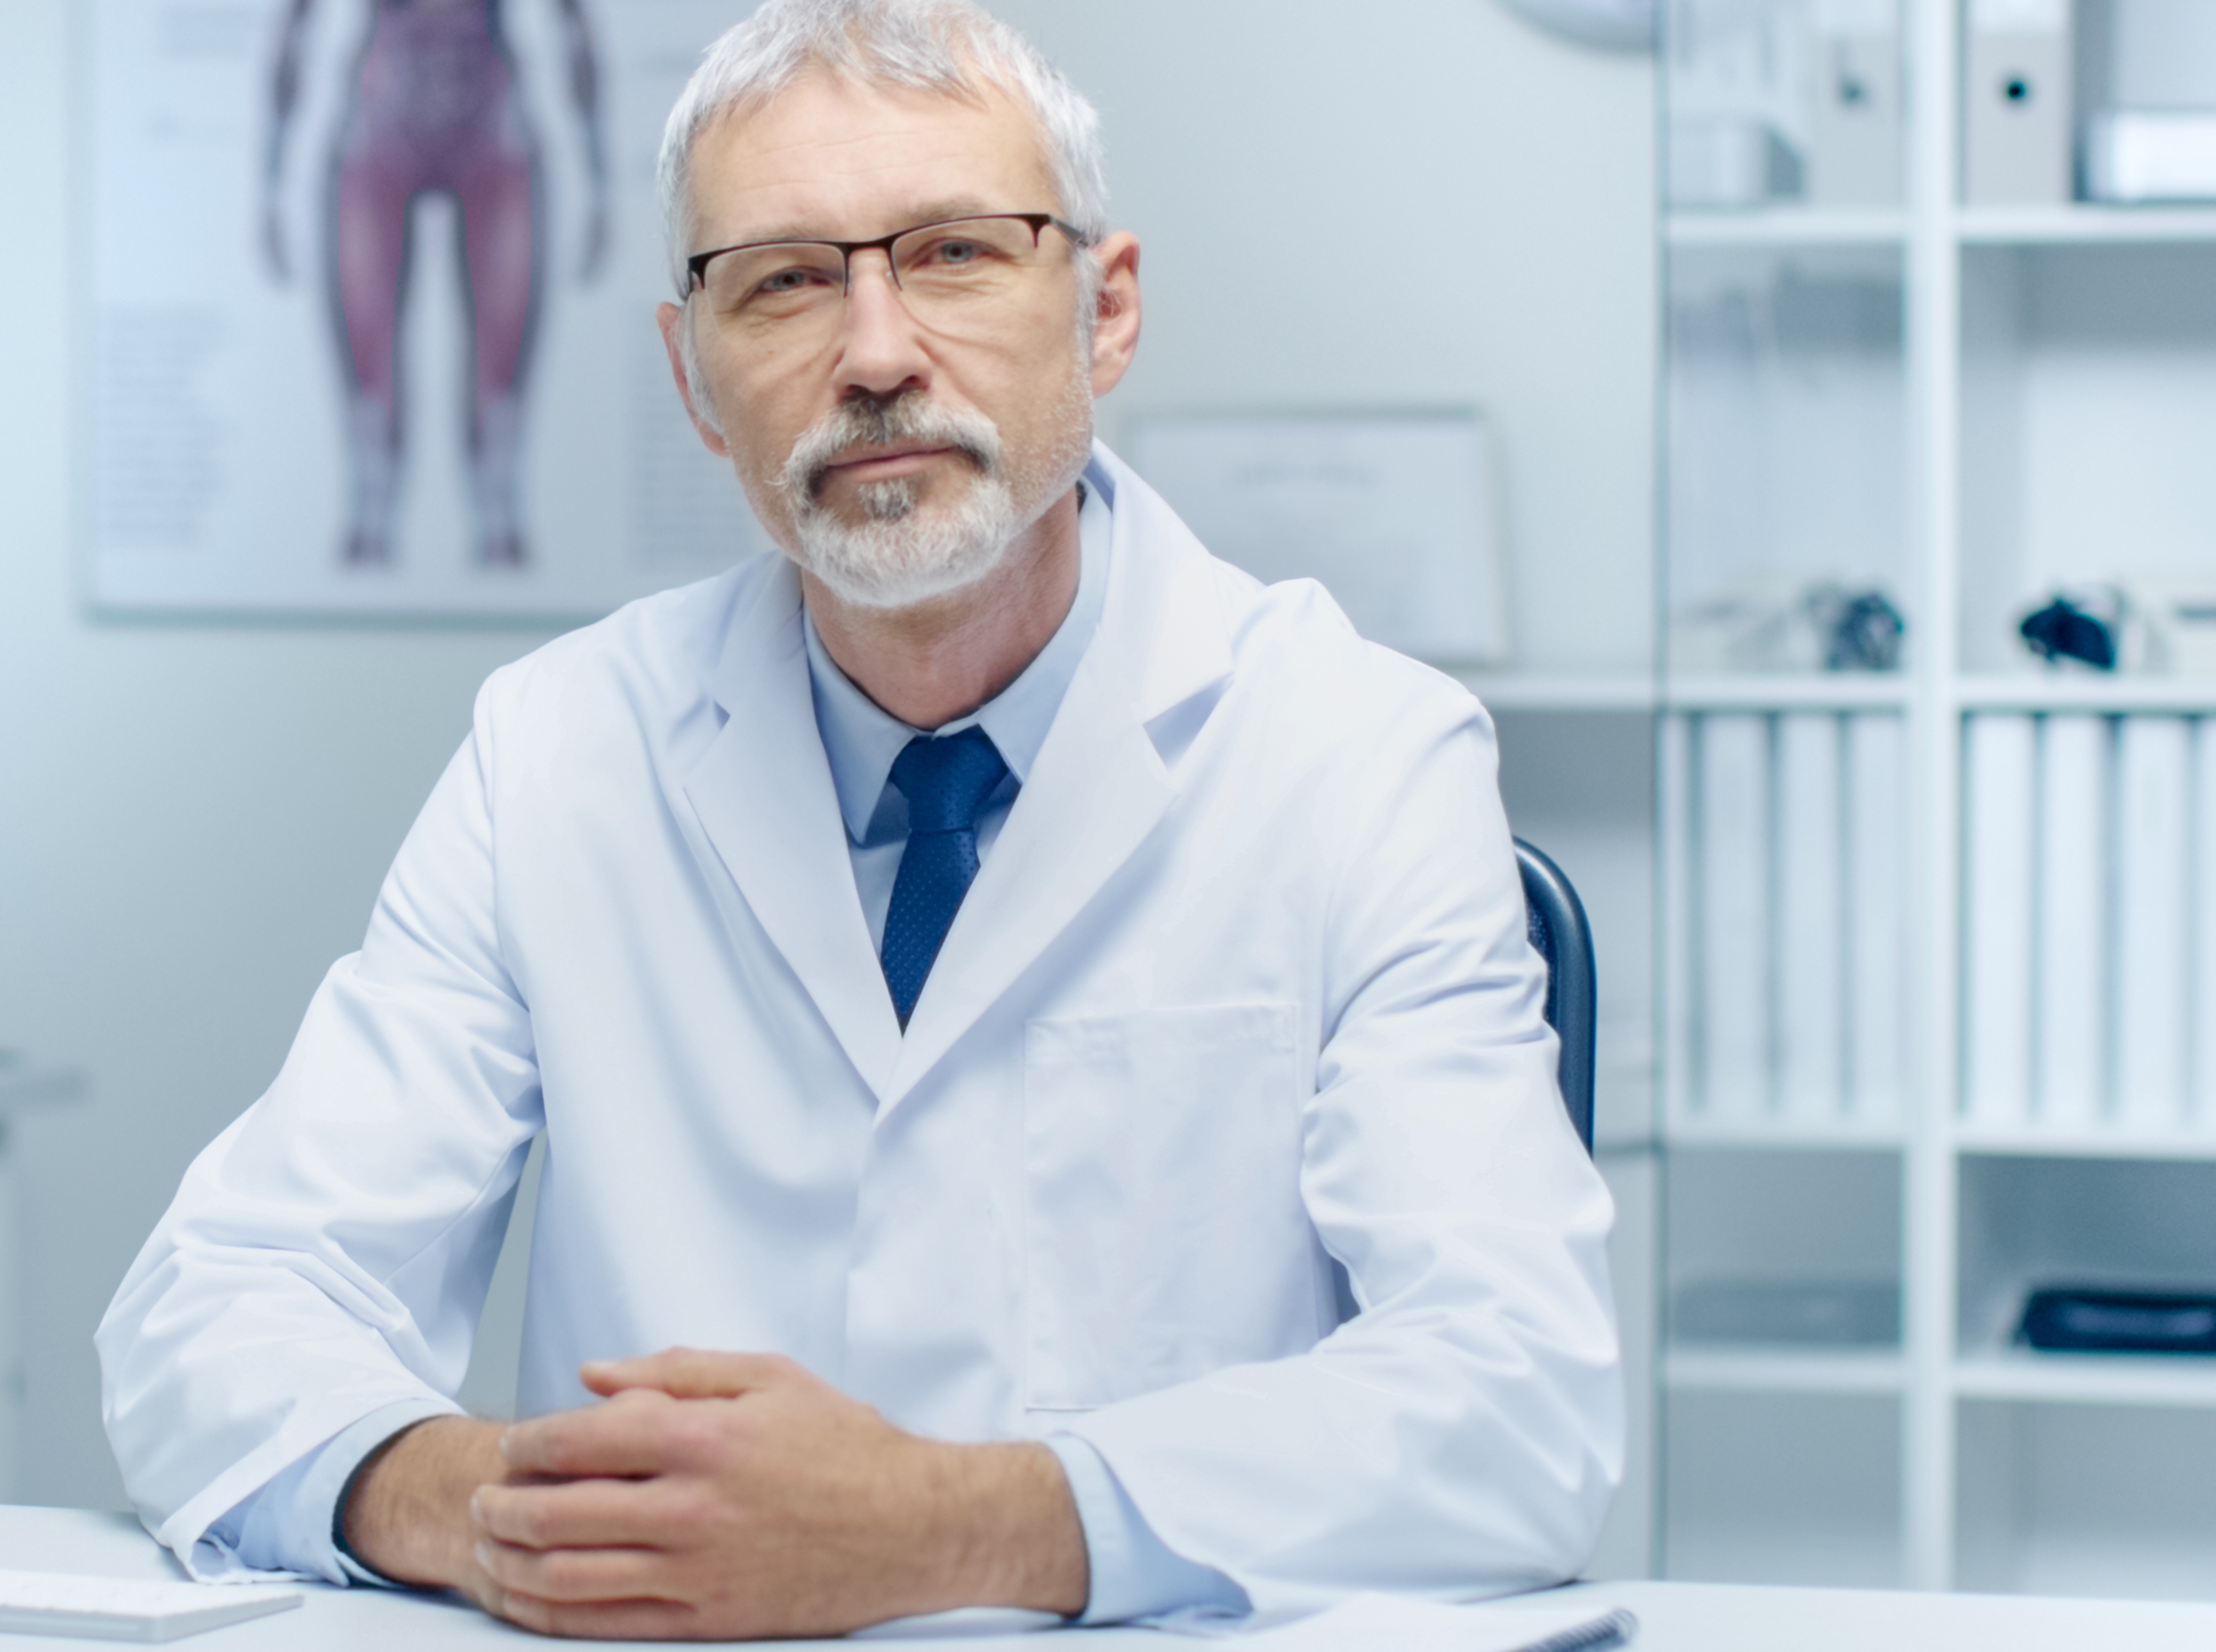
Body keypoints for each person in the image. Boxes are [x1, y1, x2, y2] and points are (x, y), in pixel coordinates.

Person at [102, 0, 1622, 1636]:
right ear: (694, 377)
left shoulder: (1356, 750)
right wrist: (492, 1512)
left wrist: (951, 1525)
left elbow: (1515, 1393)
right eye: (785, 281)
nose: (878, 352)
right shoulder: (559, 748)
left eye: (957, 253)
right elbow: (219, 1306)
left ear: (1104, 312)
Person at [259, 0, 608, 570]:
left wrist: (597, 181)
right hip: (382, 116)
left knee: (502, 345)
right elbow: (298, 25)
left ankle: (497, 512)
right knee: (367, 342)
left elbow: (571, 24)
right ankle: (372, 510)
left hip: (488, 120)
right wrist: (271, 184)